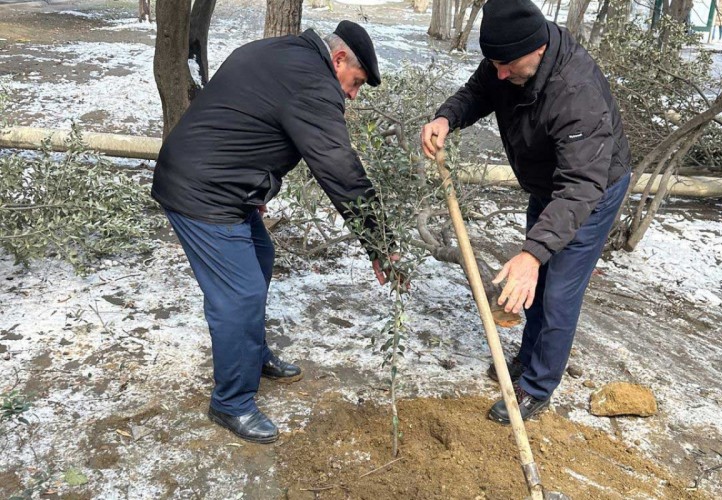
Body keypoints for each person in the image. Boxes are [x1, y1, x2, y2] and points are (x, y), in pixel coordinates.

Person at [152, 21, 396, 443]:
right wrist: (379, 242)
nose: (352, 96)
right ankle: (231, 402)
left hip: (221, 182)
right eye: (355, 83)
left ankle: (251, 354)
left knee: (261, 257)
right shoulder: (313, 84)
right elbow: (341, 171)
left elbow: (245, 114)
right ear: (338, 59)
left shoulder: (282, 51)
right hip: (203, 192)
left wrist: (255, 178)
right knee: (240, 294)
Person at [421, 0, 632, 425]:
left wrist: (533, 254)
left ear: (536, 49)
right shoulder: (508, 56)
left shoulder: (576, 92)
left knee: (556, 288)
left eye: (506, 65)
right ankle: (528, 358)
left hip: (590, 190)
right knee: (532, 279)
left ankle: (538, 386)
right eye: (494, 63)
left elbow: (579, 187)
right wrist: (447, 117)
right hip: (548, 182)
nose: (499, 72)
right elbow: (479, 91)